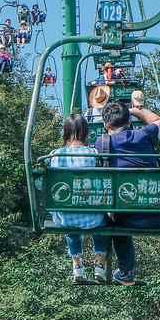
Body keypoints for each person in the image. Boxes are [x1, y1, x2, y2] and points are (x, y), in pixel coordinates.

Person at [96, 100, 160, 298]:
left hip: (129, 218)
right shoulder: (144, 134)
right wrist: (135, 111)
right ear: (128, 122)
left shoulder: (102, 143)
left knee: (114, 220)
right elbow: (159, 122)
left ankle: (126, 270)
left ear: (106, 125)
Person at [49, 115, 111, 284]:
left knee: (70, 225)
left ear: (65, 132)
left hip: (66, 218)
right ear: (85, 133)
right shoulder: (93, 153)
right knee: (103, 223)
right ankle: (99, 264)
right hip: (93, 218)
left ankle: (77, 267)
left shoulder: (55, 155)